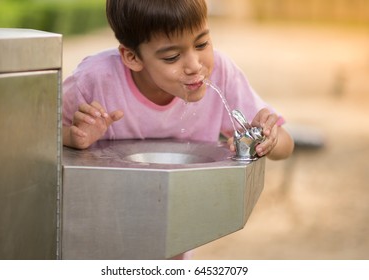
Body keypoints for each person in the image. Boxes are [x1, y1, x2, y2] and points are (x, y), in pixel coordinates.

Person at [62, 0, 294, 259]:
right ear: (132, 57)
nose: (195, 65)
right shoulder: (96, 79)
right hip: (101, 233)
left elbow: (285, 145)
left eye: (202, 44)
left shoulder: (222, 73)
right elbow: (35, 138)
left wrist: (268, 138)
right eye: (172, 57)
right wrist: (72, 137)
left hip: (176, 236)